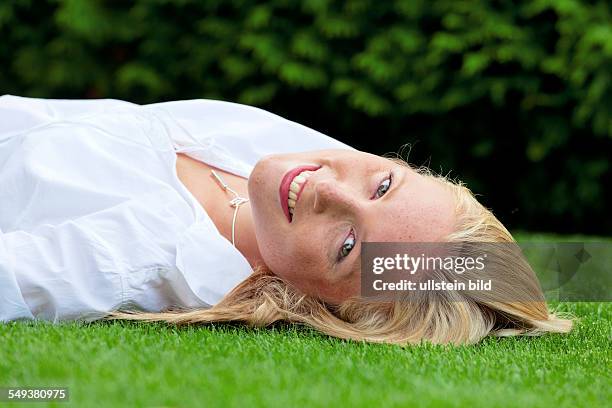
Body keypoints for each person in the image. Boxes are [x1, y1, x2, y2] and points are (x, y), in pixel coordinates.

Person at [0, 95, 572, 344]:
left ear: (325, 308)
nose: (326, 187)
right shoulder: (303, 166)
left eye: (348, 245)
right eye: (384, 183)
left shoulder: (135, 259)